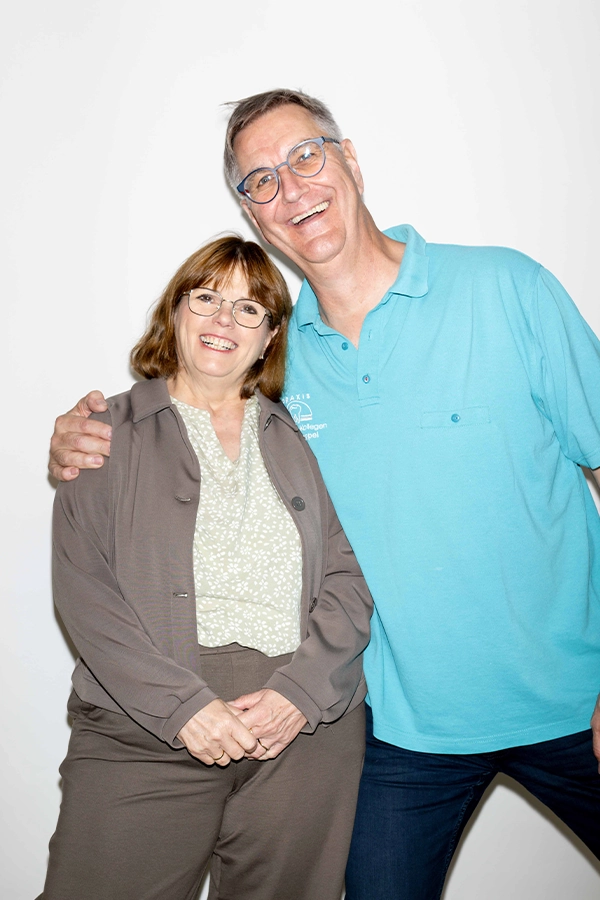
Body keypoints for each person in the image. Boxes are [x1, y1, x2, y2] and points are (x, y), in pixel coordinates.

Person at [49, 89, 600, 899]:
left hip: (576, 703)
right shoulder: (274, 368)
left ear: (351, 161)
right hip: (403, 735)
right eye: (260, 180)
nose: (291, 188)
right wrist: (81, 435)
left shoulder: (508, 288)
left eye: (305, 156)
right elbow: (185, 422)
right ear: (252, 212)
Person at [40, 233, 372, 900]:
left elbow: (349, 580)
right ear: (176, 310)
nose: (225, 320)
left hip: (300, 734)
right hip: (142, 731)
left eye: (250, 309)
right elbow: (86, 593)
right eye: (207, 298)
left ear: (270, 336)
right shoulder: (105, 431)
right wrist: (182, 707)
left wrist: (301, 693)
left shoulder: (308, 437)